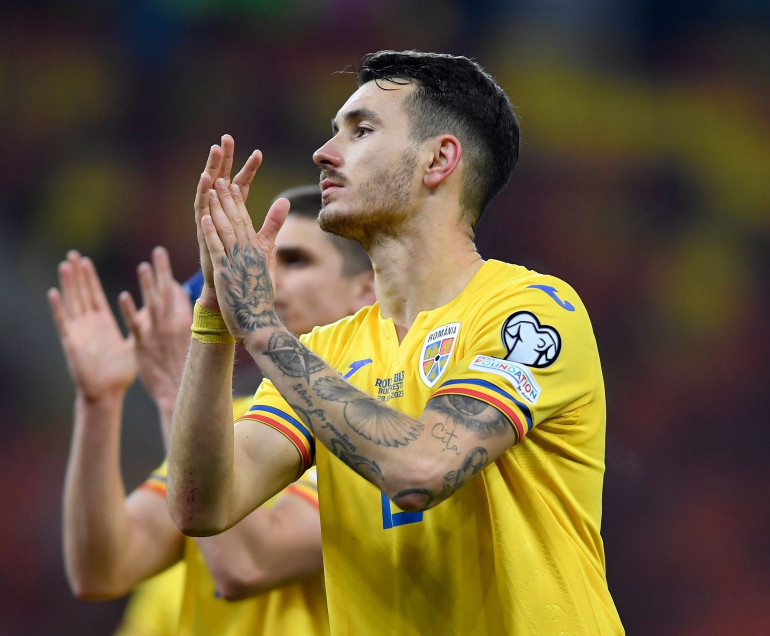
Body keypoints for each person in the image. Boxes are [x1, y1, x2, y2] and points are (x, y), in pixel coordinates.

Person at [167, 50, 623, 635]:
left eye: (361, 130)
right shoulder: (330, 349)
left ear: (439, 160)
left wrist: (260, 326)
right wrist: (215, 317)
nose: (324, 153)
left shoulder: (531, 311)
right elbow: (203, 506)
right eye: (334, 132)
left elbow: (420, 470)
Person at [49, 155, 375, 634]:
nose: (266, 275)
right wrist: (99, 402)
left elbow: (248, 563)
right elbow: (102, 570)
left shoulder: (380, 415)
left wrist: (172, 393)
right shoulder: (235, 417)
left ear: (365, 289)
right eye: (265, 256)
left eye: (296, 260)